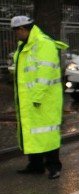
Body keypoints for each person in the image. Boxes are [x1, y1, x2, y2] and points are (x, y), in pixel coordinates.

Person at [10, 16, 68, 179]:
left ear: (22, 29)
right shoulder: (26, 44)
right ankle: (35, 165)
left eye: (16, 32)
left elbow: (45, 73)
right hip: (30, 98)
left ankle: (54, 167)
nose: (16, 35)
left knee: (47, 133)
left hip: (43, 99)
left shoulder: (43, 44)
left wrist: (37, 96)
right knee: (32, 132)